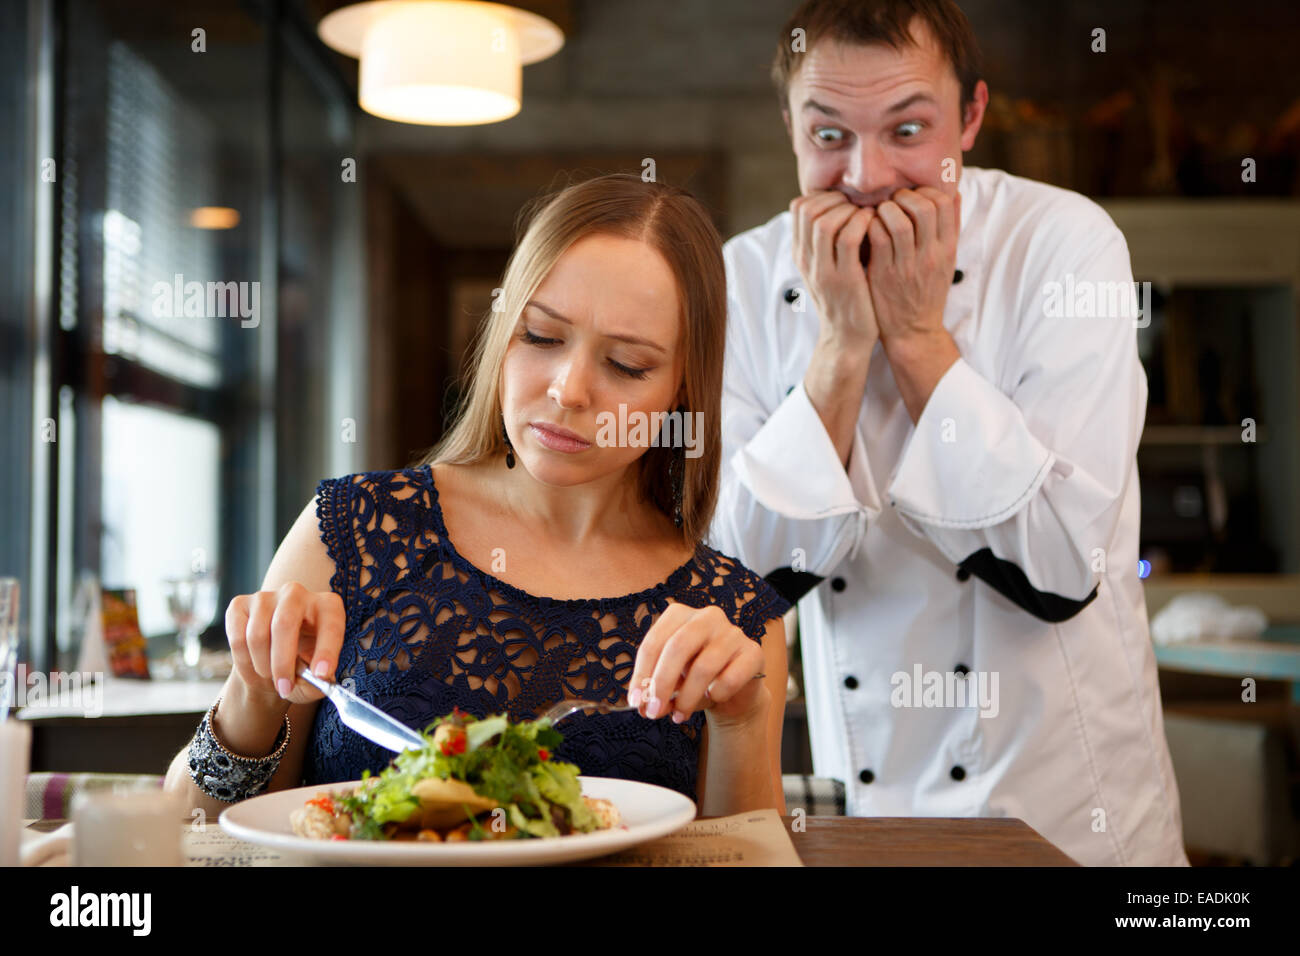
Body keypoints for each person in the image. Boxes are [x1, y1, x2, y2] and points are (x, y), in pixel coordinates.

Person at [707, 0, 1188, 865]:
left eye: (908, 128)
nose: (867, 176)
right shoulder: (741, 280)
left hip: (1074, 818)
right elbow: (737, 582)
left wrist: (920, 338)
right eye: (828, 137)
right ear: (788, 126)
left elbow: (1060, 563)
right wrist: (843, 346)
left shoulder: (1065, 246)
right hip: (875, 809)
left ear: (970, 116)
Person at [163, 174, 791, 822]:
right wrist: (251, 698)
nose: (569, 391)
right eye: (541, 337)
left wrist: (742, 722)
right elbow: (191, 835)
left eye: (627, 364)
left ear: (684, 391)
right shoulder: (353, 531)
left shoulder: (733, 612)